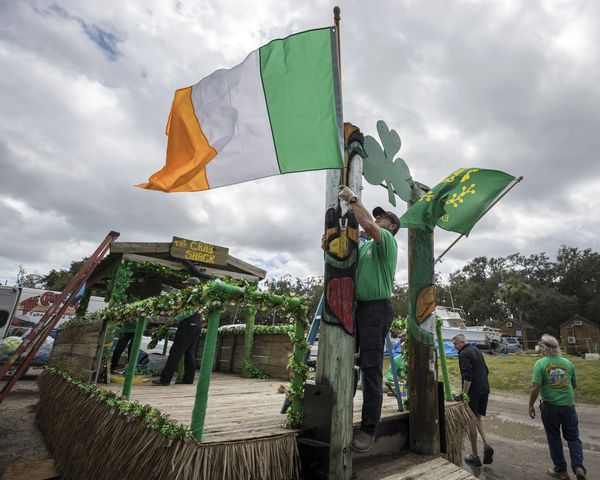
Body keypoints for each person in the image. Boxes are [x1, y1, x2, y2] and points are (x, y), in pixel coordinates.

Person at [337, 185, 399, 453]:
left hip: (376, 310)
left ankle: (369, 429)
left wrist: (353, 199)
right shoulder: (364, 248)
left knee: (370, 371)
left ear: (392, 227)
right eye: (378, 217)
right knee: (346, 363)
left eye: (382, 217)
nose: (378, 220)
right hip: (358, 309)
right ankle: (340, 413)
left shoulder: (386, 240)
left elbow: (369, 226)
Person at [529, 334, 587, 480]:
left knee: (554, 437)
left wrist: (531, 405)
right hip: (568, 406)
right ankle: (578, 467)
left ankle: (561, 470)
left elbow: (536, 387)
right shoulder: (568, 363)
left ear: (546, 348)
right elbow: (574, 385)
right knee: (573, 438)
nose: (540, 348)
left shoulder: (540, 364)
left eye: (541, 345)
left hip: (550, 407)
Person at [452, 334, 494, 466]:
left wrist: (464, 395)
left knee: (471, 422)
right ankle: (487, 445)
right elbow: (486, 371)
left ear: (462, 342)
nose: (455, 348)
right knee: (477, 418)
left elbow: (468, 376)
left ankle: (475, 456)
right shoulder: (476, 350)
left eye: (455, 344)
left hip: (473, 392)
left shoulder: (464, 353)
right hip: (484, 389)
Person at [152, 277, 203, 386]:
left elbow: (188, 312)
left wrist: (173, 320)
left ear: (192, 285)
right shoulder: (201, 295)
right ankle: (188, 379)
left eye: (187, 285)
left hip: (188, 326)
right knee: (189, 353)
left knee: (175, 352)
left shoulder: (193, 296)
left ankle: (165, 380)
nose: (185, 287)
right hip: (196, 325)